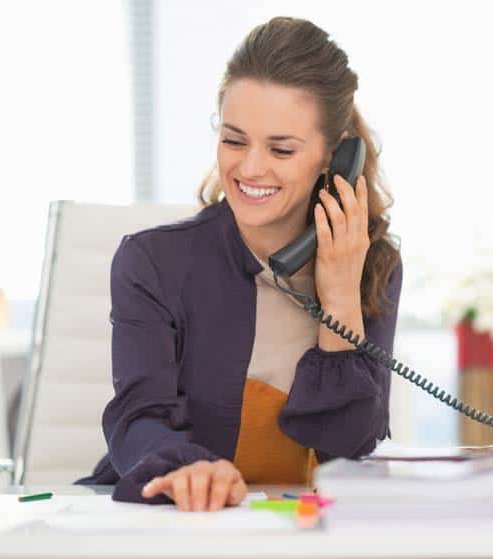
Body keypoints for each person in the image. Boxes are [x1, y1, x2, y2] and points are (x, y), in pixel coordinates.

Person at [77, 16, 402, 512]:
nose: (250, 168)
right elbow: (136, 418)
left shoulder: (371, 263)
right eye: (234, 140)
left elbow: (349, 446)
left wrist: (338, 297)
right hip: (178, 523)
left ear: (333, 157)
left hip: (302, 532)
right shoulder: (153, 262)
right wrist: (186, 469)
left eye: (281, 148)